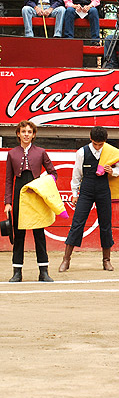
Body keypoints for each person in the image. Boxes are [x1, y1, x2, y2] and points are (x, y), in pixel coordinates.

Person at [59, 126, 119, 273]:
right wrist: (74, 193)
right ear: (91, 139)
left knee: (106, 223)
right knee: (77, 222)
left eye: (101, 144)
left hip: (103, 190)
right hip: (86, 190)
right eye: (96, 144)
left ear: (105, 141)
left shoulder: (109, 151)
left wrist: (113, 171)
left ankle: (106, 260)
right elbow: (76, 174)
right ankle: (66, 259)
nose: (98, 147)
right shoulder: (82, 152)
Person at [4, 120, 56, 283]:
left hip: (35, 194)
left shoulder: (41, 152)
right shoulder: (12, 153)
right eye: (23, 131)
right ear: (18, 134)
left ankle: (44, 272)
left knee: (39, 234)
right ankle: (17, 272)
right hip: (19, 195)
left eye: (29, 132)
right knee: (19, 235)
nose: (26, 134)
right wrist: (8, 202)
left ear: (33, 135)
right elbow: (9, 180)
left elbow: (53, 173)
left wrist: (43, 183)